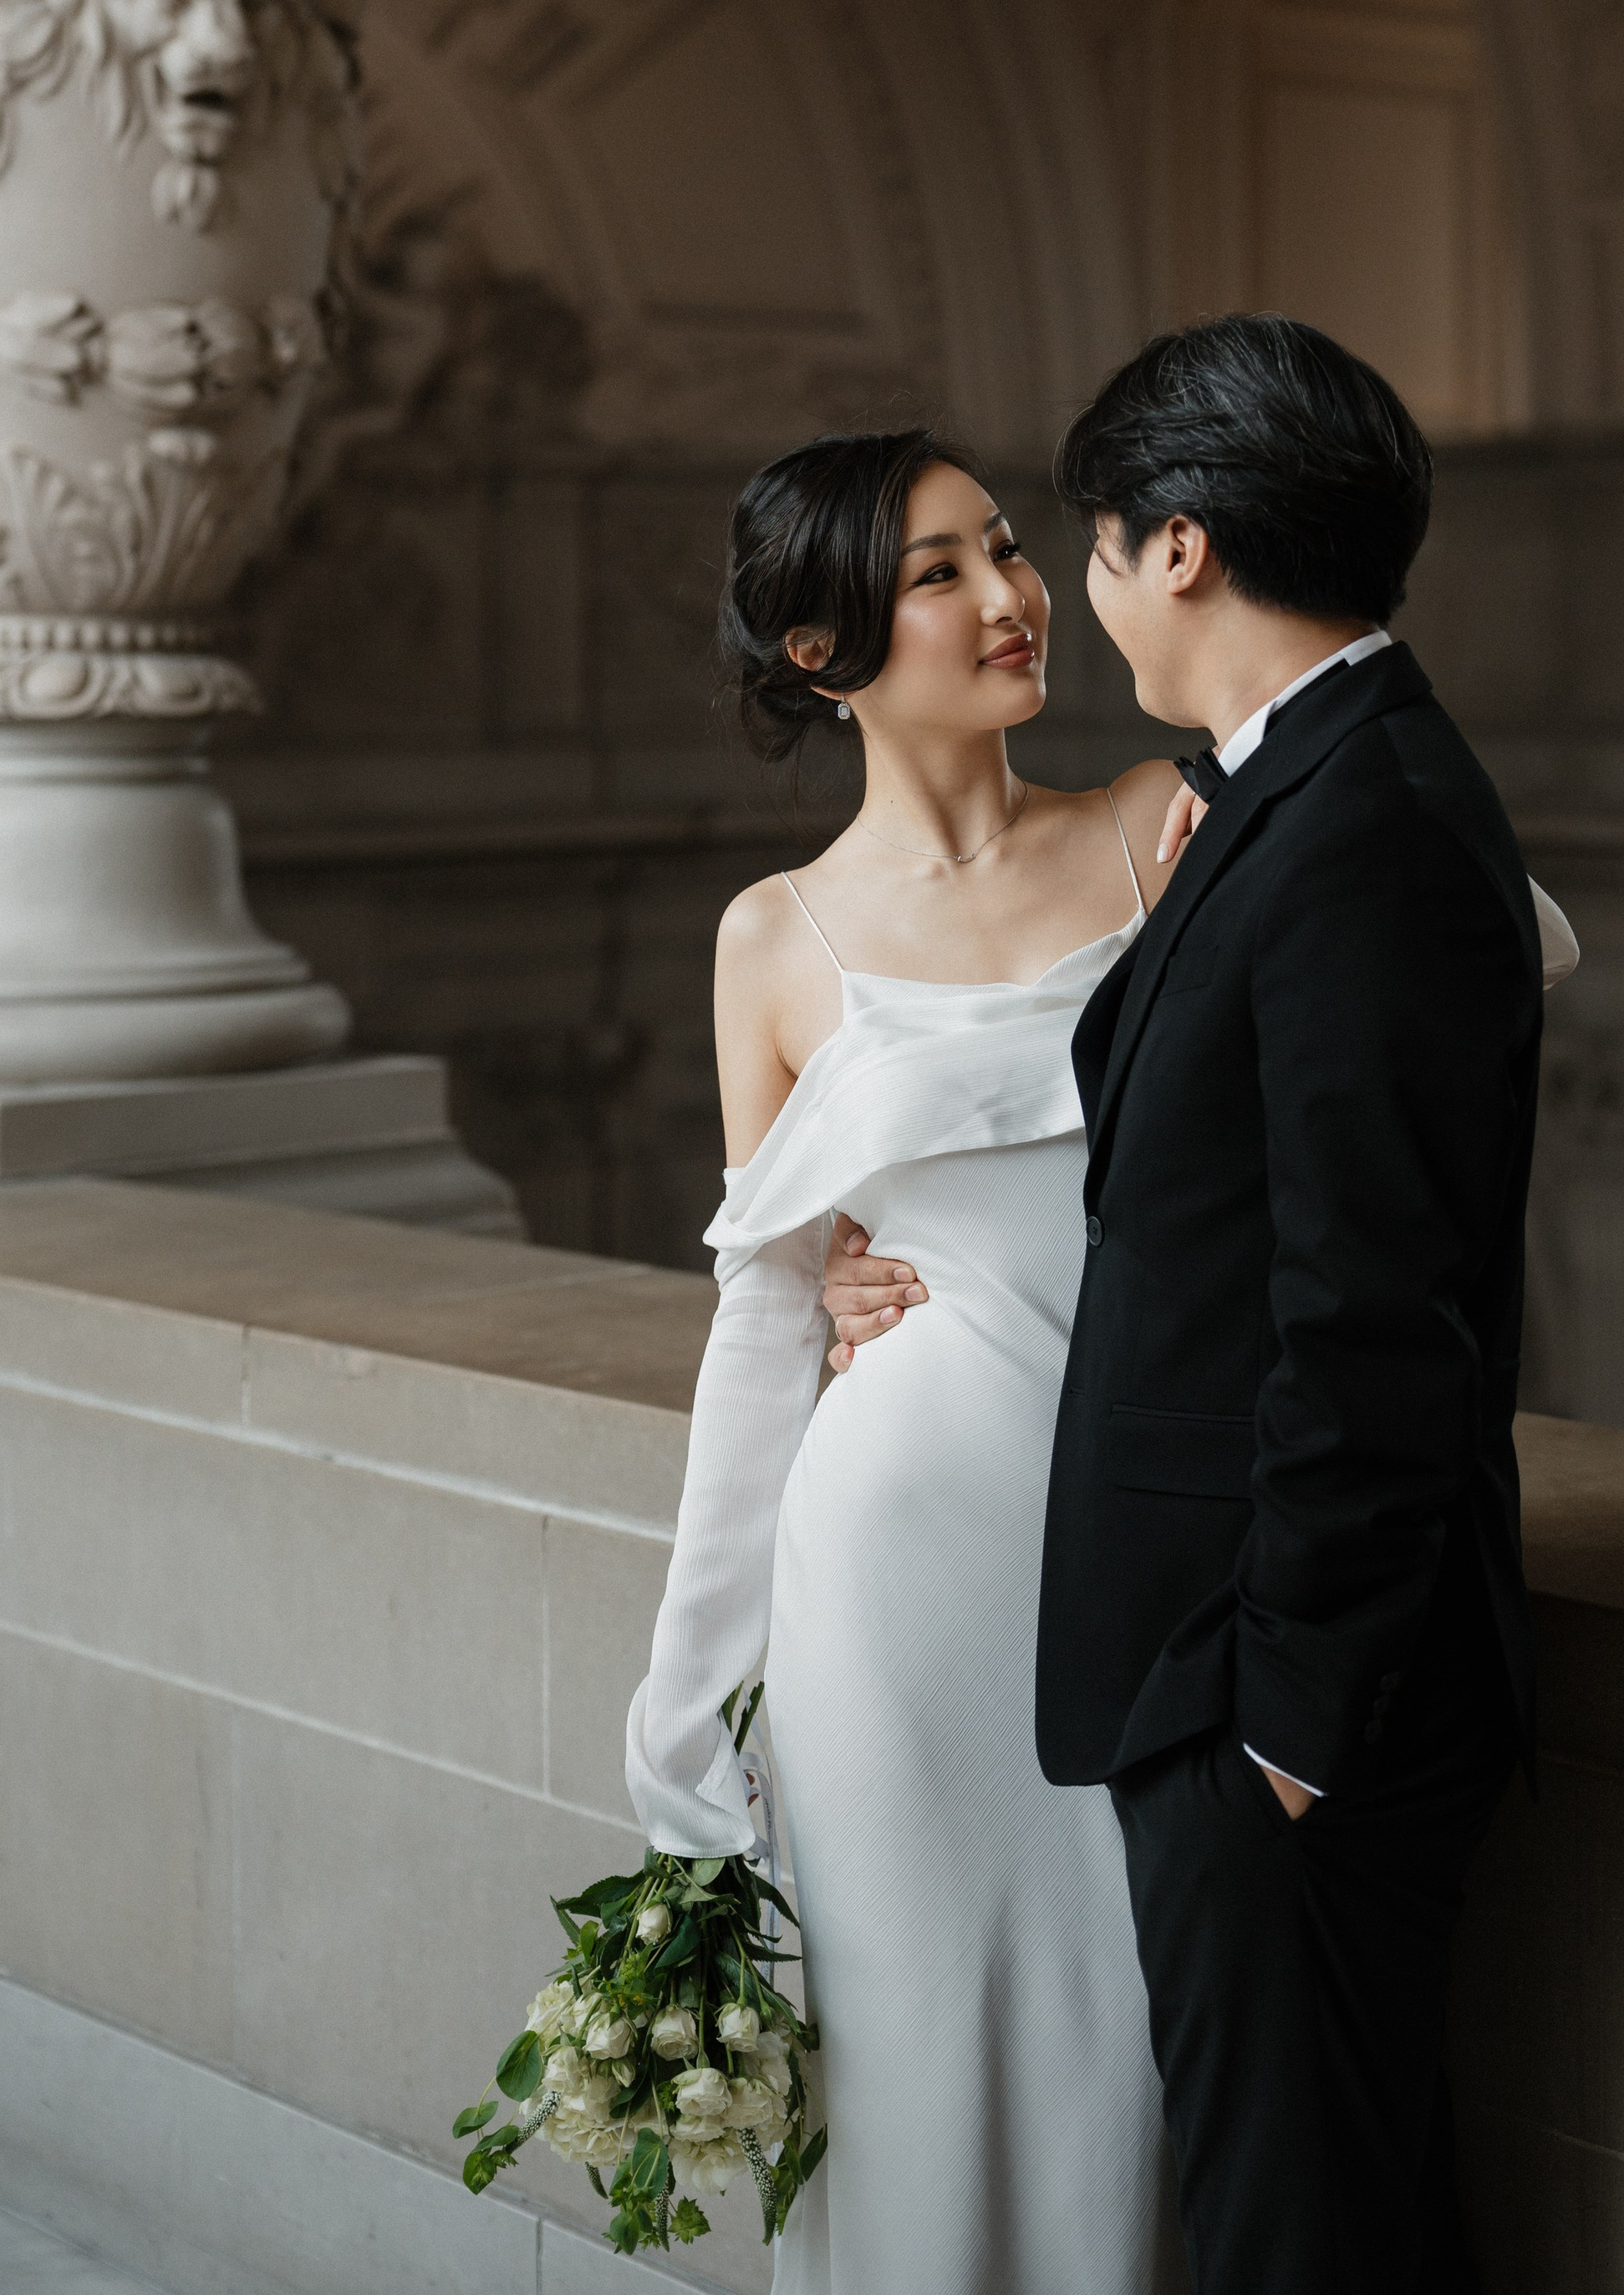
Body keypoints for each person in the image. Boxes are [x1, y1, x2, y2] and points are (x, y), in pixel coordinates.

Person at [826, 317, 1562, 2292]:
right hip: (1227, 1680)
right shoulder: (1293, 788)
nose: (1073, 593)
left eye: (1084, 543)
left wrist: (1287, 1724)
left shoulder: (1367, 823)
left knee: (1287, 2237)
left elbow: (1373, 1317)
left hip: (1292, 1706)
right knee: (1324, 2217)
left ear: (1182, 552)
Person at [625, 424, 1194, 2295]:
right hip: (886, 1598)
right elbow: (764, 1320)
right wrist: (686, 1719)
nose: (1011, 595)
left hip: (1143, 1560)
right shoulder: (770, 941)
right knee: (913, 2055)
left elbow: (1452, 964)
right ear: (823, 654)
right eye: (938, 571)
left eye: (1007, 549)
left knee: (1127, 2053)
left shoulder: (1152, 825)